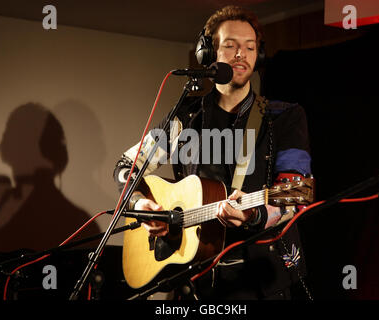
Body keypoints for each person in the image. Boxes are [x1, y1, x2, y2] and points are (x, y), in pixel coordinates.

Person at [114, 5, 312, 300]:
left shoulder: (284, 117)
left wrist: (254, 215)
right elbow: (126, 166)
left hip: (261, 279)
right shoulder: (185, 117)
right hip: (195, 277)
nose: (241, 55)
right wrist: (141, 204)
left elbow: (297, 193)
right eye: (230, 46)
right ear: (207, 54)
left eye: (250, 47)